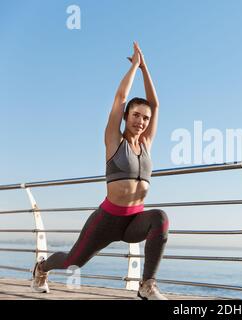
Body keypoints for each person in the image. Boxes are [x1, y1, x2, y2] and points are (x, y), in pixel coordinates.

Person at [31, 42, 169, 300]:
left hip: (133, 222)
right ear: (127, 116)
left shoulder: (147, 143)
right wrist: (134, 67)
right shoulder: (114, 140)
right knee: (73, 261)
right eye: (136, 115)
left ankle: (147, 284)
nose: (141, 121)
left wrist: (146, 68)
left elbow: (156, 104)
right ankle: (41, 267)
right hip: (107, 220)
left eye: (145, 118)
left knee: (160, 218)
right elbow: (120, 98)